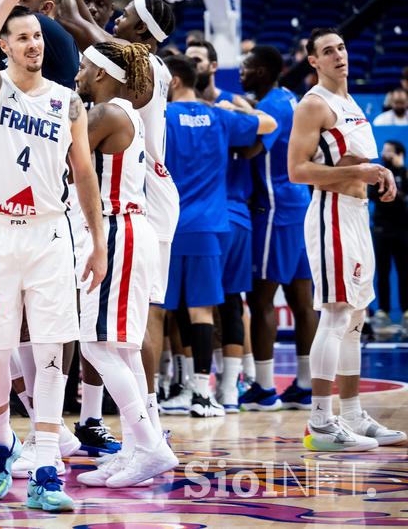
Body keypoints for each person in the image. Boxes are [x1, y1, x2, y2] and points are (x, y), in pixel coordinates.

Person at [0, 0, 105, 512]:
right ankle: (1, 444)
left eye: (38, 36)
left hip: (50, 234)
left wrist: (98, 240)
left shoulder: (67, 101)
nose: (34, 44)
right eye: (23, 37)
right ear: (5, 46)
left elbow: (85, 174)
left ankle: (48, 465)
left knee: (50, 352)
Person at [46, 0, 179, 431]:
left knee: (132, 322)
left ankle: (148, 423)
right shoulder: (136, 67)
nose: (110, 20)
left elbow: (78, 24)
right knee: (115, 325)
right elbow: (84, 26)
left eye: (120, 18)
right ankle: (126, 424)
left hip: (138, 200)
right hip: (134, 194)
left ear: (138, 34)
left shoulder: (138, 70)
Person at [288, 27, 406, 451]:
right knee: (336, 315)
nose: (338, 54)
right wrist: (359, 173)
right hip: (330, 214)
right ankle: (320, 424)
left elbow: (358, 161)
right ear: (313, 61)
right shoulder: (313, 105)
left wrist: (380, 173)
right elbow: (298, 171)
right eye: (327, 51)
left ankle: (353, 414)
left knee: (355, 319)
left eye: (341, 47)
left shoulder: (351, 103)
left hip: (357, 214)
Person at [73, 40, 179, 488]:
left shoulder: (106, 115)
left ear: (100, 73)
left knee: (96, 345)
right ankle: (141, 447)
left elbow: (64, 163)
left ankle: (150, 447)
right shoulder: (128, 112)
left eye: (82, 67)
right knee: (122, 349)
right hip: (128, 231)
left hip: (114, 231)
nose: (77, 74)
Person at [161, 55, 276, 418]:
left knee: (166, 311)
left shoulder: (161, 117)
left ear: (175, 81)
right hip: (210, 225)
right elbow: (268, 124)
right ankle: (202, 392)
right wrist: (236, 104)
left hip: (170, 223)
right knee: (204, 310)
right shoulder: (218, 116)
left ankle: (171, 391)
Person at [239, 46, 318, 413]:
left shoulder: (270, 105)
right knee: (303, 302)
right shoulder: (292, 98)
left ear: (267, 71)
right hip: (300, 202)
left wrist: (236, 117)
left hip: (274, 209)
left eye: (248, 67)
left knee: (260, 298)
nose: (242, 73)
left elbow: (253, 149)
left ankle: (265, 386)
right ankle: (305, 386)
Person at [370, 140, 408, 321]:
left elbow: (404, 198)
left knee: (404, 271)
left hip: (402, 229)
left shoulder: (405, 173)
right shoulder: (378, 173)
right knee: (382, 272)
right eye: (383, 150)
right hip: (381, 229)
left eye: (389, 151)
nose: (384, 153)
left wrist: (401, 171)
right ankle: (383, 310)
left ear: (399, 154)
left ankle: (406, 310)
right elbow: (373, 196)